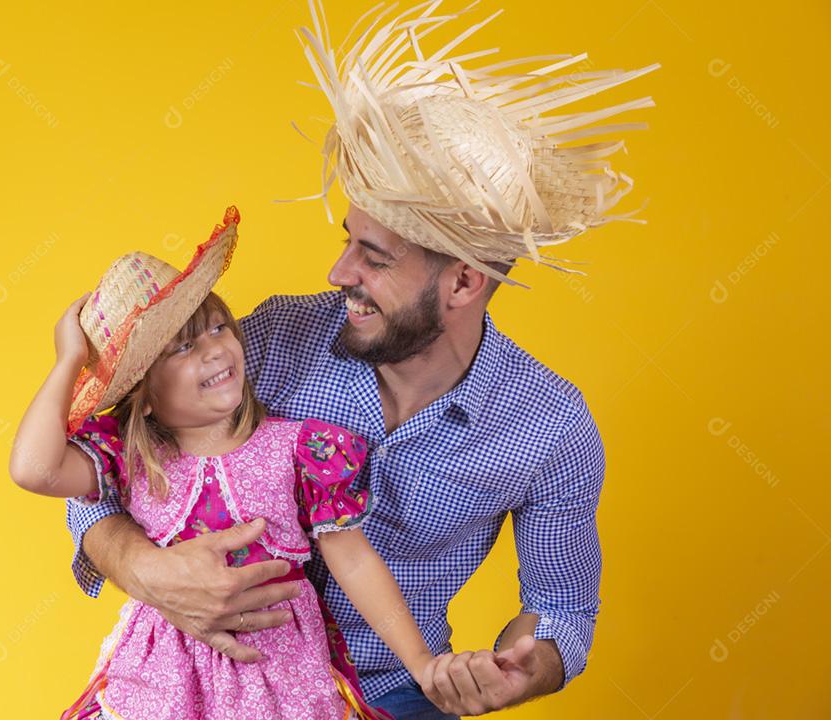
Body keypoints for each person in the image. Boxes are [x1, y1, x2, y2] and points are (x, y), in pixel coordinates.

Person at [64, 2, 657, 717]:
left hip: (391, 692)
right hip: (218, 684)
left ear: (464, 282)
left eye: (373, 258)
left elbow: (562, 609)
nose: (339, 271)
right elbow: (110, 460)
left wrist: (522, 668)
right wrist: (148, 570)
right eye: (350, 239)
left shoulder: (550, 425)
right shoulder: (275, 339)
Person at [10, 207, 434, 720]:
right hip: (163, 682)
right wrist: (68, 362)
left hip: (276, 678)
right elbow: (33, 469)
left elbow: (355, 561)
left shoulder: (301, 449)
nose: (213, 351)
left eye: (217, 329)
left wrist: (423, 665)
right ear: (143, 397)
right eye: (183, 347)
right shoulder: (132, 456)